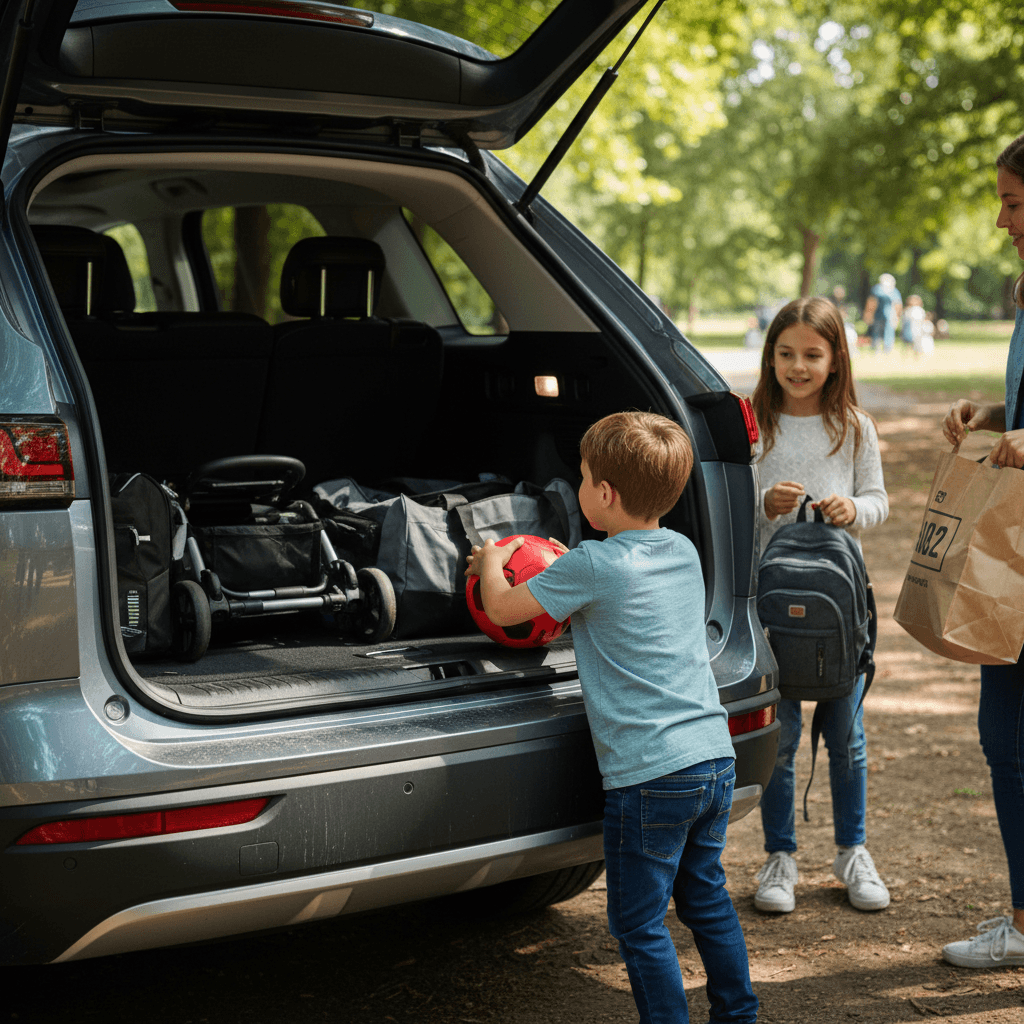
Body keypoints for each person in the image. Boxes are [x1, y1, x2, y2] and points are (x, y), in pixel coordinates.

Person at [464, 411, 758, 1024]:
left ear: (605, 493)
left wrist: (492, 558)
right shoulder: (679, 549)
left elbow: (503, 605)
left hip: (650, 775)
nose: (577, 485)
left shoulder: (591, 566)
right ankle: (739, 1014)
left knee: (638, 923)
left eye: (582, 476)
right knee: (705, 898)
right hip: (712, 758)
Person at [749, 297, 890, 914]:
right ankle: (780, 857)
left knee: (846, 733)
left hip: (839, 609)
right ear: (770, 355)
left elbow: (879, 501)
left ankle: (851, 850)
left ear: (835, 360)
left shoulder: (854, 425)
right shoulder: (755, 421)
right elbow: (733, 505)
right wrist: (765, 504)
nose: (798, 366)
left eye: (812, 354)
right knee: (778, 736)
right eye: (786, 354)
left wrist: (853, 509)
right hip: (774, 608)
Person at [939, 131, 1024, 969]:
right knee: (1004, 743)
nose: (1002, 219)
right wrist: (991, 417)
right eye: (1002, 200)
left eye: (1016, 201)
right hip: (1015, 557)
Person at [863, 273, 903, 354]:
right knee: (880, 333)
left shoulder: (878, 289)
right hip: (882, 315)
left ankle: (880, 350)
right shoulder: (890, 290)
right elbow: (898, 305)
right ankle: (881, 350)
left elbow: (898, 305)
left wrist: (868, 314)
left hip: (885, 316)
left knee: (881, 333)